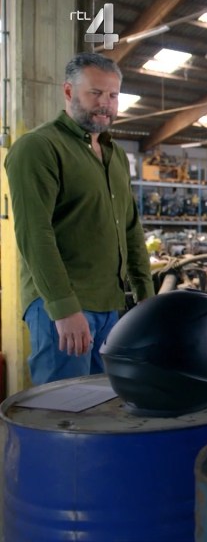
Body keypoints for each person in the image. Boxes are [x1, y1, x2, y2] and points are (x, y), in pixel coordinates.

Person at [4, 52, 154, 385]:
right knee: (64, 406)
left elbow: (130, 228)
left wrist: (146, 294)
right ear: (69, 91)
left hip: (110, 305)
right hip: (62, 306)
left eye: (113, 95)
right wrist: (64, 308)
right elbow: (34, 234)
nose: (105, 104)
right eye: (95, 93)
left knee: (106, 403)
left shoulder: (115, 155)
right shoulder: (38, 147)